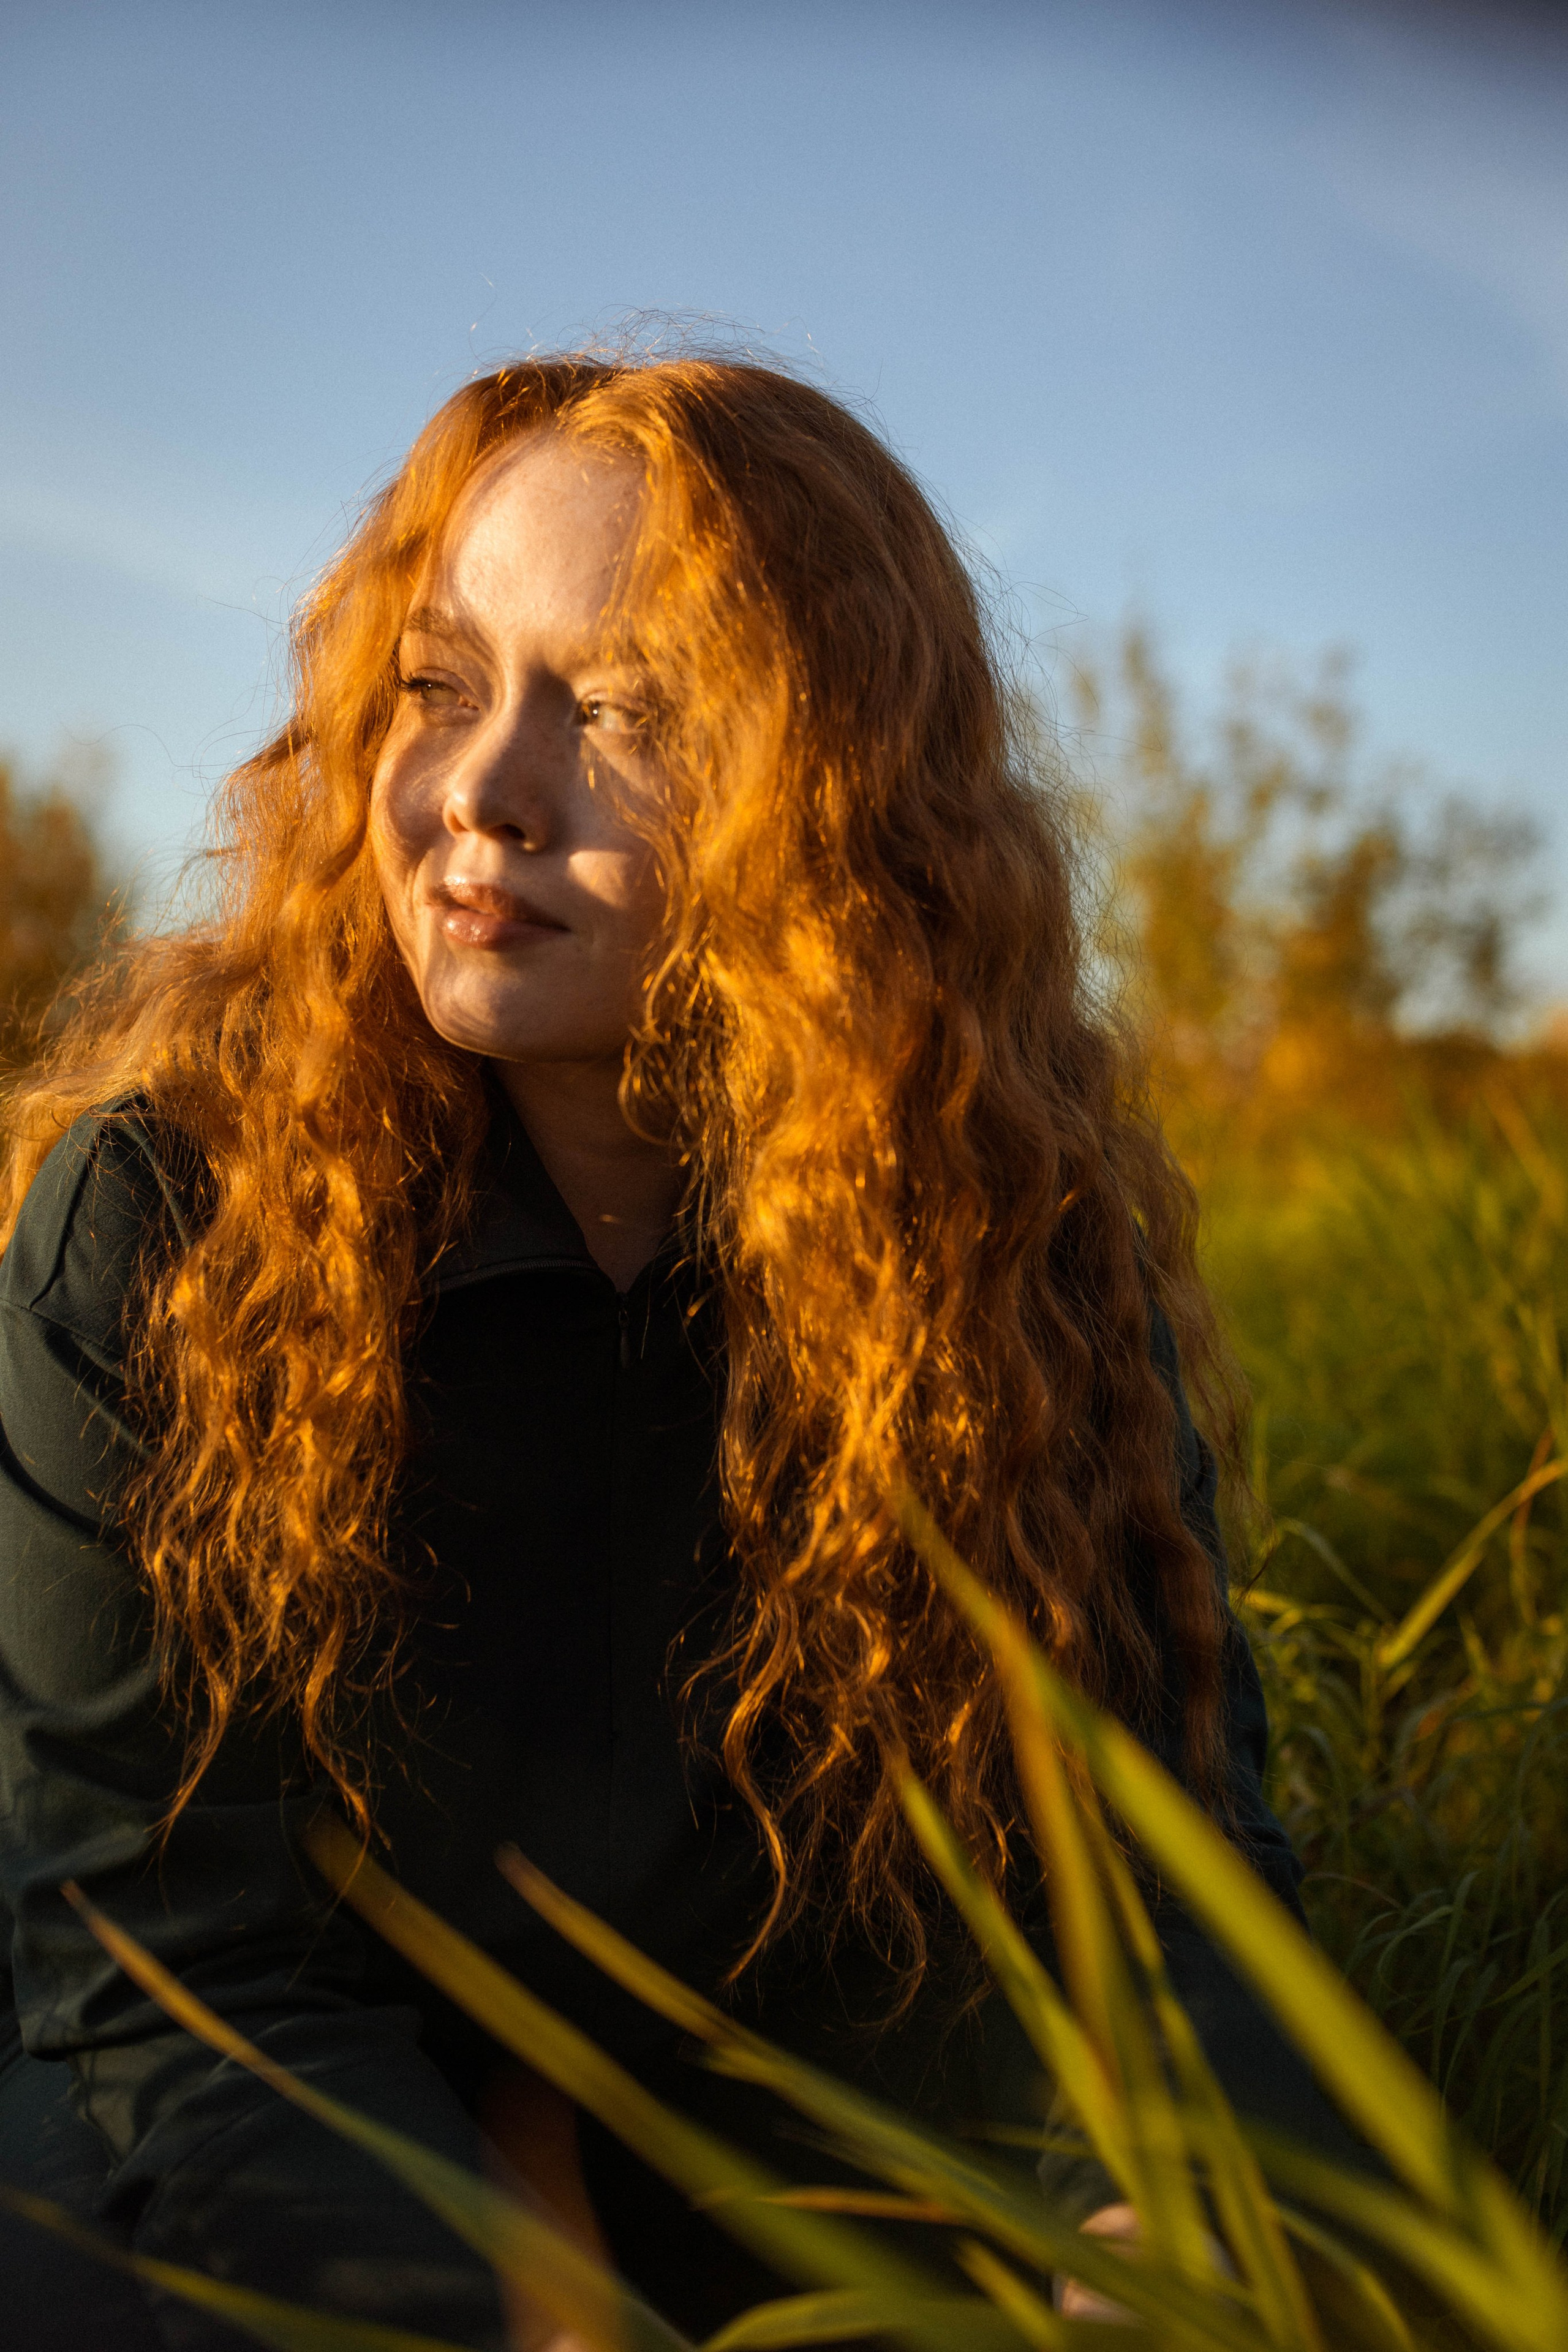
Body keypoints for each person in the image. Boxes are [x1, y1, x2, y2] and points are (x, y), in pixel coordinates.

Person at [0, 354, 1338, 2348]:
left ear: (836, 796)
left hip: (791, 2180)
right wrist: (523, 2307)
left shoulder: (1011, 1261)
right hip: (278, 2157)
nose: (480, 790)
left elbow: (1172, 1889)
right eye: (441, 684)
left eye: (623, 712)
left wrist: (1150, 2238)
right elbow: (155, 1942)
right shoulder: (165, 1221)